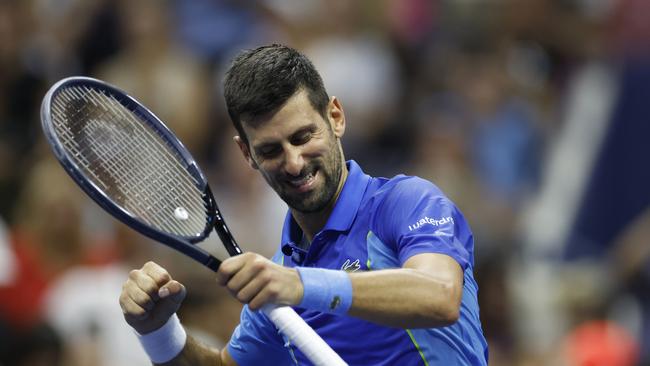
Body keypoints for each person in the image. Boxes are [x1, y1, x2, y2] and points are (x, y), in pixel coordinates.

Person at [119, 44, 488, 365]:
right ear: (246, 154)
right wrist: (158, 331)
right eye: (270, 150)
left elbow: (440, 296)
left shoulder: (405, 202)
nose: (293, 163)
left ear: (336, 117)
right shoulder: (279, 279)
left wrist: (299, 285)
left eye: (302, 136)